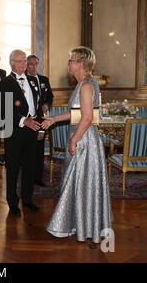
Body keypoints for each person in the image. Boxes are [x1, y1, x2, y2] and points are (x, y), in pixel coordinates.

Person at [41, 46, 112, 243]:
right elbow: (79, 113)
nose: (68, 64)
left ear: (80, 63)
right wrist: (53, 120)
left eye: (71, 60)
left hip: (84, 139)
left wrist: (74, 139)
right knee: (79, 182)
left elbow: (88, 118)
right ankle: (78, 223)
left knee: (78, 181)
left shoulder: (87, 85)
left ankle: (73, 225)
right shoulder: (84, 83)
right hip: (83, 137)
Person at [0, 50, 42, 215]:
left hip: (32, 130)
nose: (24, 64)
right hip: (15, 131)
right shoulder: (5, 83)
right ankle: (12, 202)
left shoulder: (31, 81)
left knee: (30, 166)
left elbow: (37, 106)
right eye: (20, 61)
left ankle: (28, 199)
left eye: (25, 61)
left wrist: (39, 125)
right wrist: (24, 120)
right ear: (11, 62)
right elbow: (3, 110)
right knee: (13, 167)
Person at [26, 54, 54, 186]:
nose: (33, 66)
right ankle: (28, 177)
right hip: (29, 121)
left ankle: (38, 177)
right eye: (30, 64)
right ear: (27, 65)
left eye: (35, 64)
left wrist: (47, 105)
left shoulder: (44, 79)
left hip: (42, 120)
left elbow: (50, 97)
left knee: (39, 149)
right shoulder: (23, 79)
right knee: (28, 150)